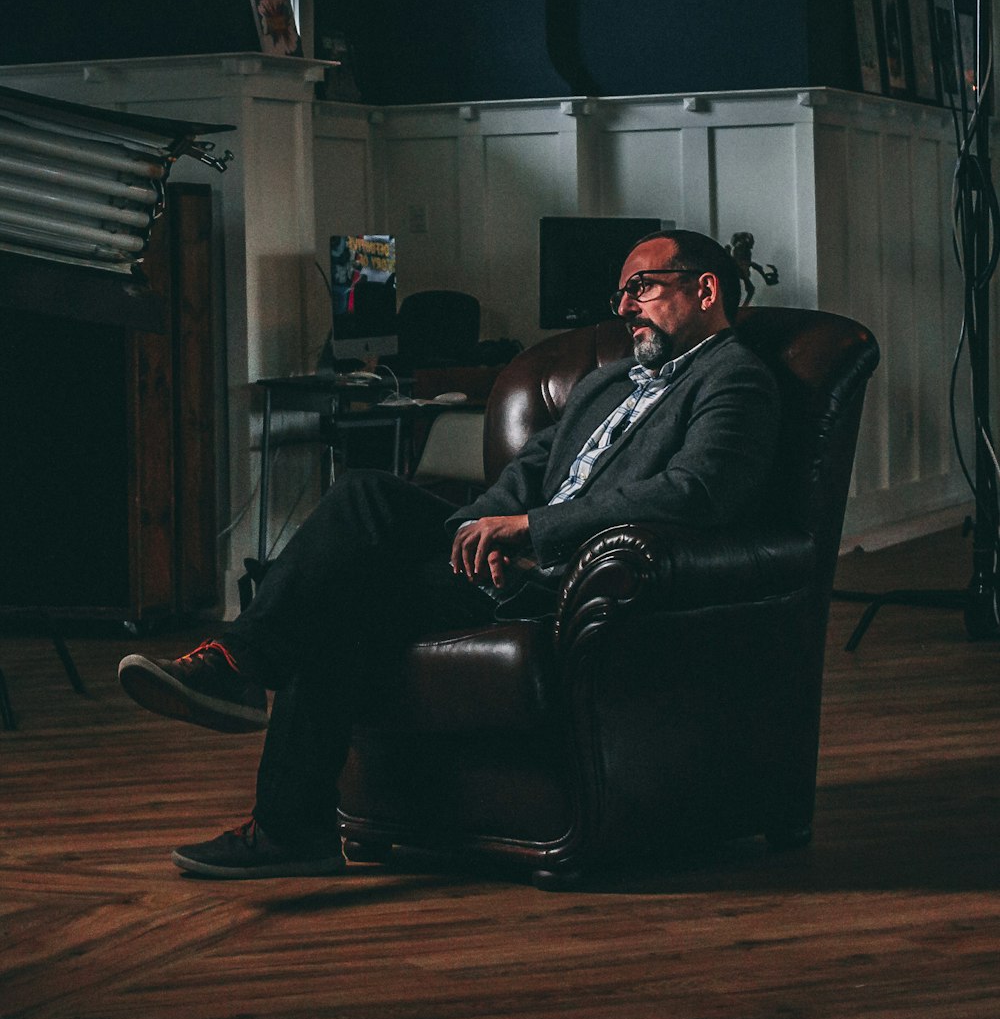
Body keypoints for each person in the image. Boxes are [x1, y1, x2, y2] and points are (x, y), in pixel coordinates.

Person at [118, 229, 780, 878]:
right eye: (621, 295)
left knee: (354, 531)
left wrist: (531, 530)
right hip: (509, 561)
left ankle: (238, 671)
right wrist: (480, 530)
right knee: (357, 517)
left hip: (576, 578)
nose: (625, 308)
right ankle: (288, 822)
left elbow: (696, 492)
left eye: (640, 288)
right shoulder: (607, 385)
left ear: (705, 288)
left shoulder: (734, 379)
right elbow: (529, 470)